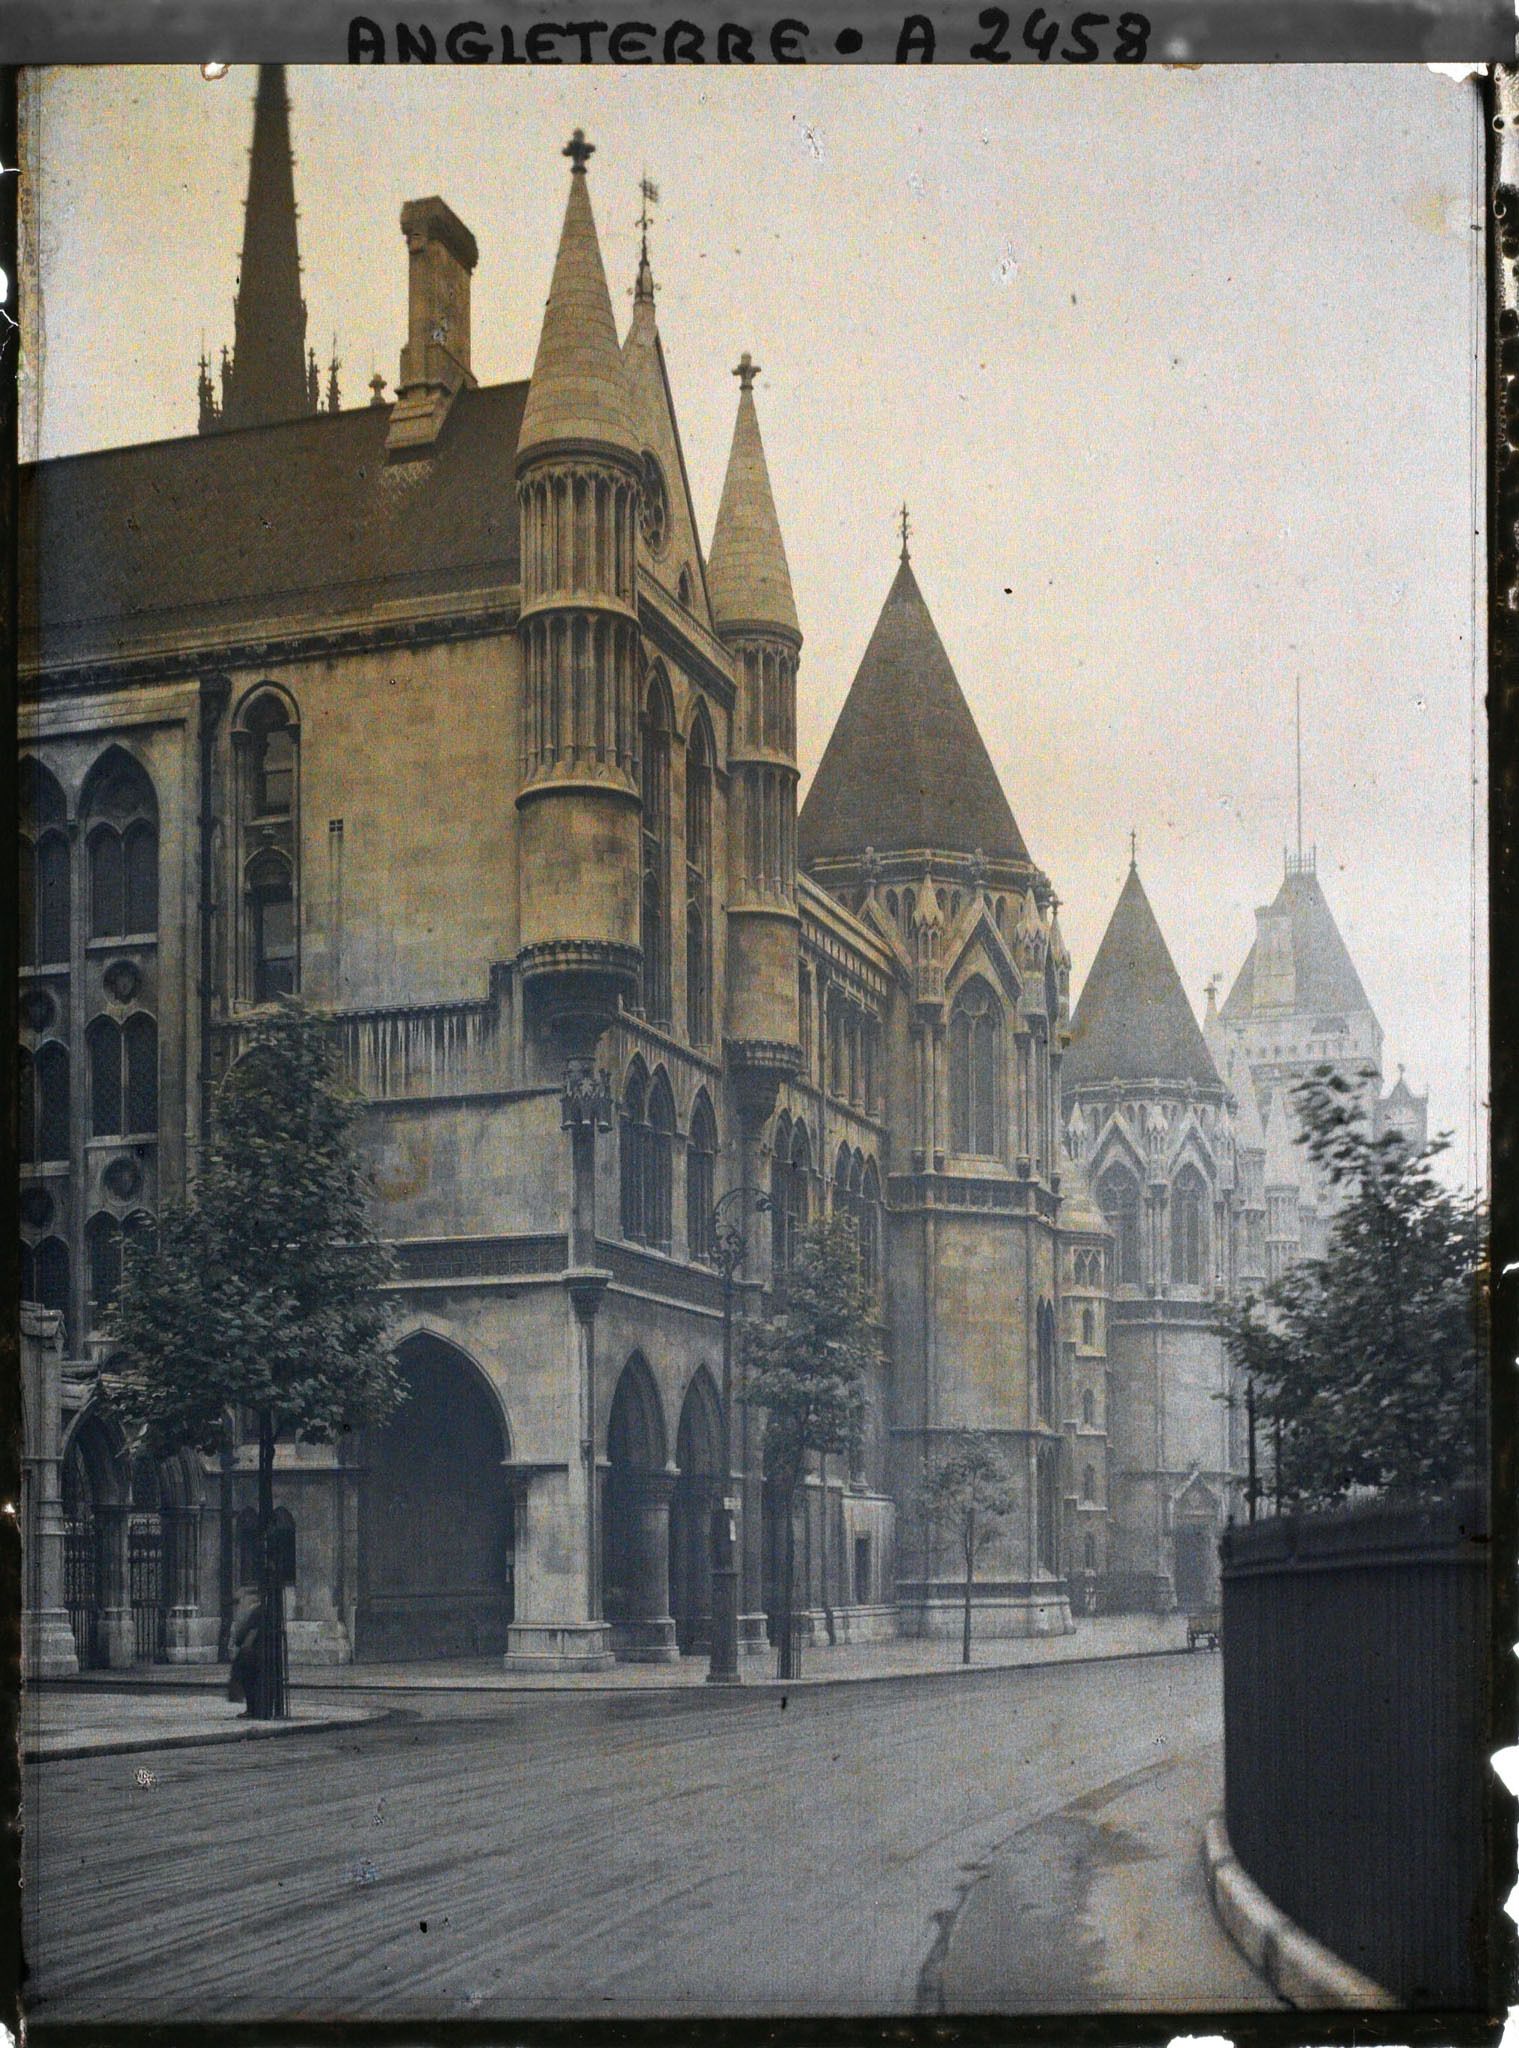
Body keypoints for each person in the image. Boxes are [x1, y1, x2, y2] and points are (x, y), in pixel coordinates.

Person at [227, 1591, 266, 1717]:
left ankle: (251, 1709)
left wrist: (239, 1643)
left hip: (252, 1653)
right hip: (262, 1653)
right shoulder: (265, 1611)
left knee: (248, 1680)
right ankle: (258, 1708)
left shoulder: (255, 1612)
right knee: (256, 1682)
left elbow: (246, 1632)